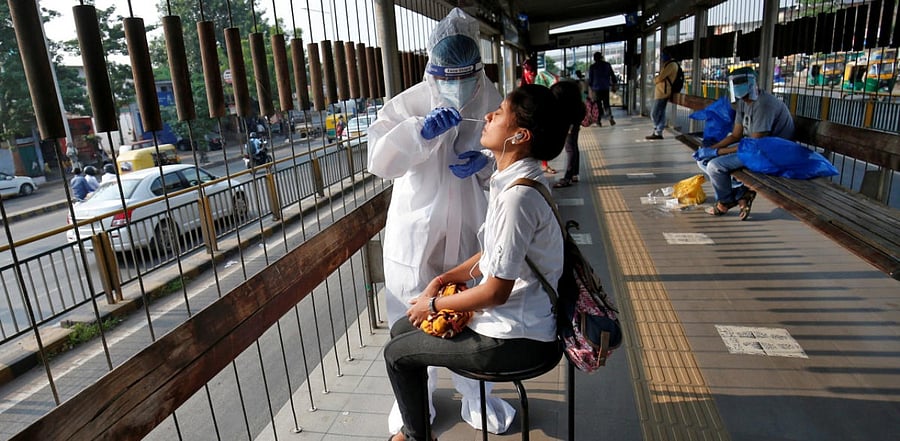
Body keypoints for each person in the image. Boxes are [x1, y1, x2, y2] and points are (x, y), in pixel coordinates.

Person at [384, 82, 581, 441]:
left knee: (397, 353)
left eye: (500, 113)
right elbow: (491, 253)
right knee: (401, 330)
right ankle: (417, 422)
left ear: (520, 135)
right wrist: (443, 278)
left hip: (515, 340)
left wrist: (433, 304)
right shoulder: (519, 181)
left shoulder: (516, 199)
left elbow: (494, 293)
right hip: (524, 323)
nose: (488, 116)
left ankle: (415, 435)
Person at [367, 7, 514, 436]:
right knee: (411, 313)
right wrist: (418, 133)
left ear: (478, 71)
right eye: (445, 76)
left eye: (463, 76)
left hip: (472, 225)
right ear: (432, 70)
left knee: (473, 314)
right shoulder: (408, 103)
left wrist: (487, 162)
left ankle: (479, 395)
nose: (455, 84)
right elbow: (379, 161)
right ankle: (415, 400)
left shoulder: (494, 100)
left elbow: (515, 155)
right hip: (417, 231)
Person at [693, 66, 795, 220]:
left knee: (715, 166)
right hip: (755, 149)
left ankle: (725, 202)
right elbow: (735, 135)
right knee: (703, 161)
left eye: (741, 82)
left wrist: (717, 153)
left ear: (752, 82)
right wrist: (710, 149)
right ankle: (741, 193)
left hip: (771, 154)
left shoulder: (764, 104)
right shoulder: (743, 102)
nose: (737, 86)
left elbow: (756, 144)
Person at [520, 57, 558, 174]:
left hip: (541, 115)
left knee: (542, 140)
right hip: (529, 117)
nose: (531, 75)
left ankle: (544, 165)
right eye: (528, 72)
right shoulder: (524, 84)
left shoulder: (541, 77)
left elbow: (555, 80)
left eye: (532, 72)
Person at [553, 80, 588, 188]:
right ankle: (574, 174)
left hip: (571, 123)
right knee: (573, 146)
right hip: (574, 122)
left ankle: (568, 177)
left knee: (570, 148)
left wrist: (569, 126)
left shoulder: (566, 104)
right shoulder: (576, 103)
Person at [646, 49, 679, 140]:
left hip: (663, 93)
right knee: (661, 113)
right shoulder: (669, 64)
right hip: (661, 92)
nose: (662, 57)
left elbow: (660, 77)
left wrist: (655, 80)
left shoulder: (671, 65)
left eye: (663, 55)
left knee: (654, 113)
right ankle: (658, 132)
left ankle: (658, 129)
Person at [587, 52, 616, 126]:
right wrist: (614, 85)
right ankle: (610, 117)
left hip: (596, 89)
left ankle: (598, 121)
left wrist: (590, 89)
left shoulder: (592, 67)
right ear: (601, 57)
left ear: (594, 58)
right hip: (605, 87)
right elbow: (613, 76)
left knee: (598, 105)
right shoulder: (607, 65)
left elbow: (590, 80)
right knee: (606, 104)